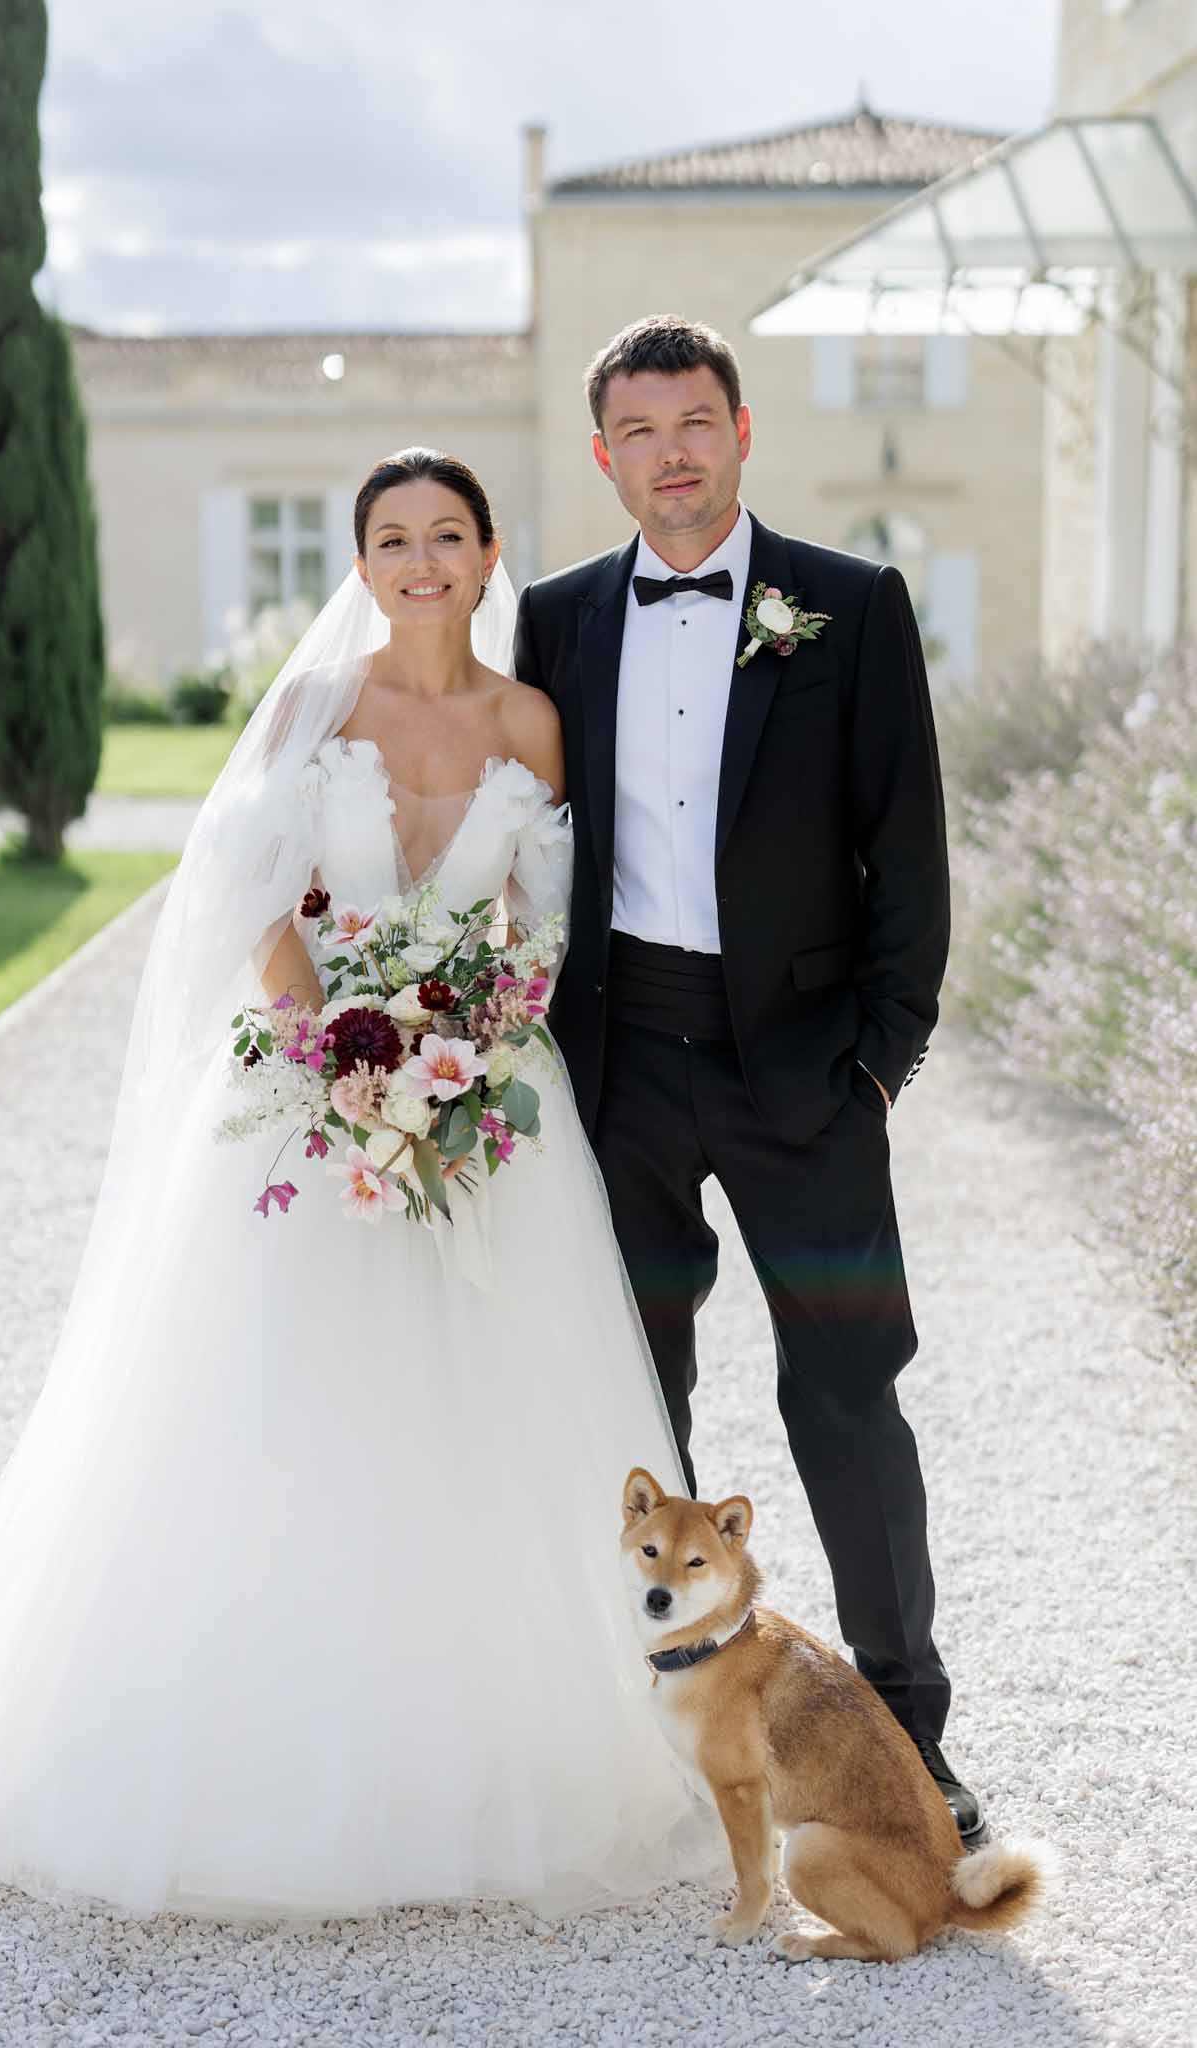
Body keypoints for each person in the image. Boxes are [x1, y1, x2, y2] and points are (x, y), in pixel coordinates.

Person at [0, 448, 730, 1922]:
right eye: (391, 538)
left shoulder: (531, 718)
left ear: (484, 554)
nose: (418, 560)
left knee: (480, 1427)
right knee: (282, 1413)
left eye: (445, 536)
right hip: (306, 1091)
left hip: (483, 1111)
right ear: (362, 562)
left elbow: (536, 920)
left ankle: (483, 1759)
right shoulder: (312, 709)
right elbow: (259, 898)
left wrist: (461, 1055)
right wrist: (346, 1057)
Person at [512, 316, 985, 1847]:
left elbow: (907, 849)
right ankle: (678, 1747)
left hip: (804, 1071)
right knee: (639, 1409)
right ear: (605, 456)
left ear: (741, 429)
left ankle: (909, 1746)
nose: (673, 452)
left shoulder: (847, 607)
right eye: (640, 430)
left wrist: (881, 1061)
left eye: (696, 420)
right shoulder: (561, 621)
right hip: (622, 1067)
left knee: (848, 1397)